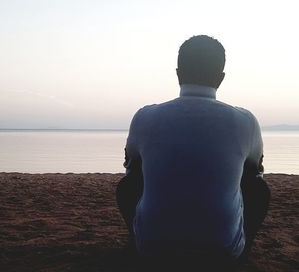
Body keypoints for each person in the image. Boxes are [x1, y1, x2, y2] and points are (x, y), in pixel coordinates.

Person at [116, 35, 270, 262]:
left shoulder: (145, 117)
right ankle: (243, 251)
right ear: (221, 78)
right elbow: (255, 171)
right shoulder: (245, 121)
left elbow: (131, 169)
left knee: (128, 183)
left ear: (178, 73)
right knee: (257, 187)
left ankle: (136, 239)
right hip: (222, 250)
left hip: (152, 247)